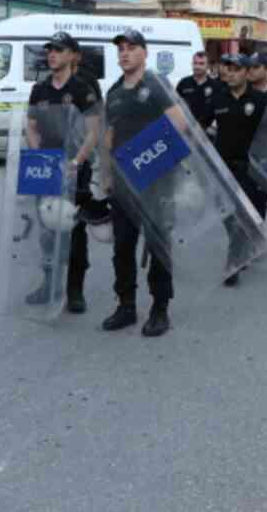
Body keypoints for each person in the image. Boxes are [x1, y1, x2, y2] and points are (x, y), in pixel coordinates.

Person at [101, 29, 184, 338]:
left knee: (158, 245)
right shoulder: (114, 91)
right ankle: (125, 305)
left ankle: (160, 309)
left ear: (144, 53)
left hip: (155, 179)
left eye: (131, 47)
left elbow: (179, 123)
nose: (124, 53)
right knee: (122, 246)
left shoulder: (156, 84)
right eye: (121, 48)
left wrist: (146, 157)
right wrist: (107, 176)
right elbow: (109, 138)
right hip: (123, 183)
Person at [24, 32, 101, 314]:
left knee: (74, 230)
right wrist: (39, 155)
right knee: (46, 228)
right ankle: (50, 285)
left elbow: (94, 130)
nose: (51, 54)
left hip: (74, 169)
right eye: (49, 50)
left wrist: (76, 162)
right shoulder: (40, 89)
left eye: (58, 49)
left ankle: (75, 290)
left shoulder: (83, 89)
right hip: (46, 168)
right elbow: (30, 126)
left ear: (71, 55)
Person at [209, 53, 267, 287]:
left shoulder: (260, 100)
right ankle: (241, 249)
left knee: (243, 217)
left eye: (236, 69)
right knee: (228, 216)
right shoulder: (218, 98)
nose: (231, 73)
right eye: (228, 69)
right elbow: (197, 124)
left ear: (246, 73)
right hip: (223, 168)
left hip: (249, 170)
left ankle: (233, 263)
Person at [176, 51, 225, 127]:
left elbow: (220, 111)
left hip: (206, 132)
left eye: (201, 63)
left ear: (208, 66)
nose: (197, 66)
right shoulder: (184, 83)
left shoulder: (216, 86)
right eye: (195, 63)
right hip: (185, 128)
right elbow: (175, 106)